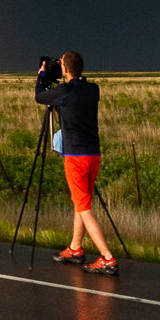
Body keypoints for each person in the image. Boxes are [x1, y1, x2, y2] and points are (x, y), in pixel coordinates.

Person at [35, 50, 117, 275]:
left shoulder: (65, 91)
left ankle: (107, 258)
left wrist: (42, 76)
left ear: (65, 69)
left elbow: (40, 96)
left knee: (84, 207)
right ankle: (75, 248)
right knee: (81, 202)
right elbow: (76, 90)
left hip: (75, 157)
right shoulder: (93, 89)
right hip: (94, 154)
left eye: (61, 64)